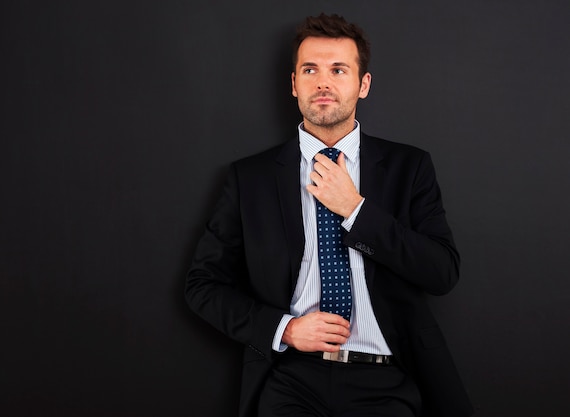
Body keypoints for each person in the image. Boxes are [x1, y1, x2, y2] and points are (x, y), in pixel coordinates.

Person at [185, 12, 474, 417]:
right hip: (290, 377)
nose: (323, 82)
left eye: (338, 69)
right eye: (310, 70)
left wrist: (355, 210)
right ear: (294, 84)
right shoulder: (250, 178)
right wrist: (284, 328)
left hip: (387, 378)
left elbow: (441, 272)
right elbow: (202, 285)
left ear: (363, 84)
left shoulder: (410, 168)